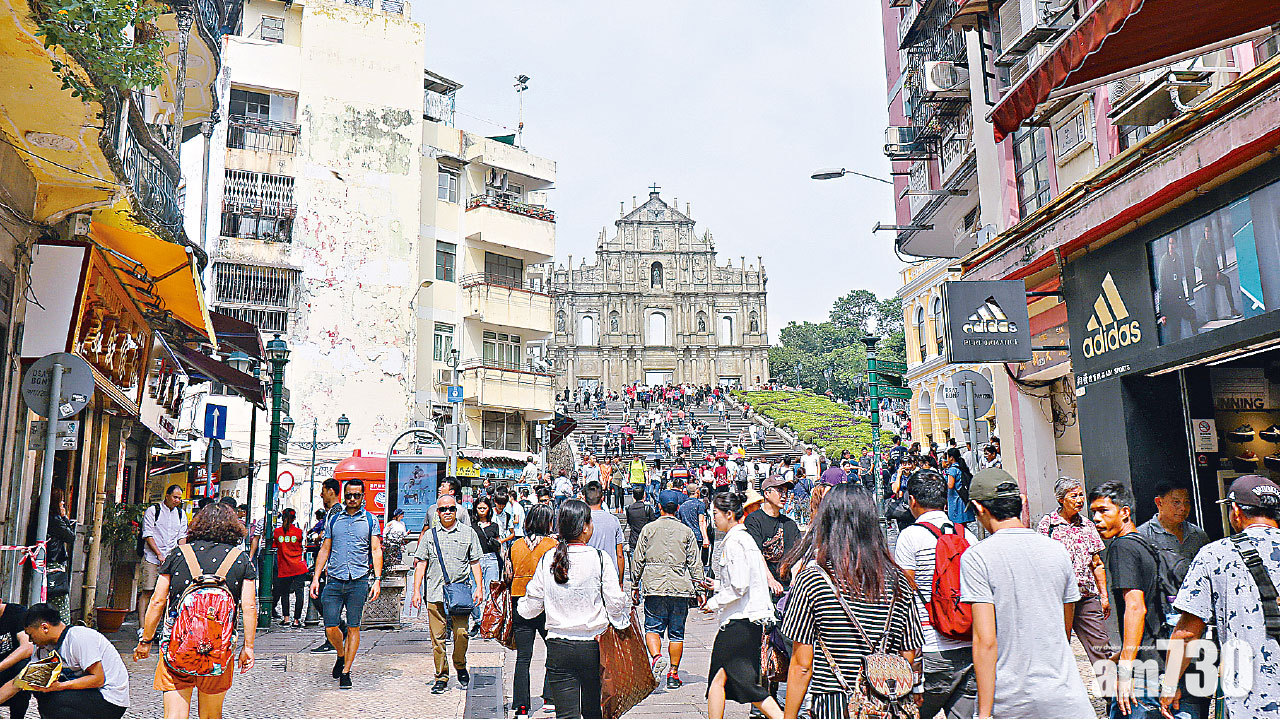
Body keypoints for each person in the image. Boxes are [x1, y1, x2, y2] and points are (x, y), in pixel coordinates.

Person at [780, 485, 924, 719]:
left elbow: (802, 664)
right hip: (886, 704)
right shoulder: (898, 581)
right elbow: (909, 651)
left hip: (833, 703)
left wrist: (789, 716)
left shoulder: (814, 580)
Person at [960, 468, 1093, 718]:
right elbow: (1065, 629)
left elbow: (985, 642)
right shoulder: (1057, 551)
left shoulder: (977, 557)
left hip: (1012, 701)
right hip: (1067, 697)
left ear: (979, 508)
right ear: (1021, 502)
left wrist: (984, 714)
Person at [1160, 475, 1280, 719]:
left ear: (1235, 510)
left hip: (1251, 704)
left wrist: (1170, 684)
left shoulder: (1215, 555)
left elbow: (1187, 632)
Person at [1087, 481, 1199, 719]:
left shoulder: (1122, 547)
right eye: (1093, 512)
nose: (1097, 519)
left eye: (1104, 510)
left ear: (1125, 512)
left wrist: (1125, 669)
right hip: (1157, 662)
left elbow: (1136, 608)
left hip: (1141, 672)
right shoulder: (1144, 543)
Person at [135, 503, 257, 718]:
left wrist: (145, 640)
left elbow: (157, 601)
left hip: (176, 647)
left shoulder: (179, 554)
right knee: (211, 715)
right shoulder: (240, 559)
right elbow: (249, 606)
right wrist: (248, 647)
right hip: (219, 649)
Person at [517, 500, 630, 719]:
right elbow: (616, 603)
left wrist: (522, 609)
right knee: (592, 712)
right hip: (592, 647)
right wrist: (620, 622)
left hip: (558, 647)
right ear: (586, 527)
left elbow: (530, 606)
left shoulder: (548, 558)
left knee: (566, 715)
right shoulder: (599, 559)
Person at [894, 469, 977, 719]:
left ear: (912, 501)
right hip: (968, 645)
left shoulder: (909, 537)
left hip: (930, 647)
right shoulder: (967, 536)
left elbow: (904, 594)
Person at [703, 492, 781, 720]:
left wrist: (714, 602)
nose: (713, 518)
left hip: (740, 621)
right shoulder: (744, 539)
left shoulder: (736, 541)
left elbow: (739, 585)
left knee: (746, 685)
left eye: (715, 514)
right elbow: (744, 581)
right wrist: (718, 585)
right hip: (746, 619)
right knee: (719, 677)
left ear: (729, 514)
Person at [308, 479, 383, 689]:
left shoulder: (370, 520)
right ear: (344, 496)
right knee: (331, 625)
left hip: (358, 580)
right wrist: (315, 577)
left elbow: (376, 550)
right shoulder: (334, 519)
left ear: (363, 497)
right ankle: (341, 654)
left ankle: (346, 671)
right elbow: (325, 549)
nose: (351, 499)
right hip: (334, 579)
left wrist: (377, 580)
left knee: (353, 626)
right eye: (348, 495)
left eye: (356, 495)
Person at [410, 492, 483, 694]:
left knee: (462, 634)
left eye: (451, 508)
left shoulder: (468, 533)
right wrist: (416, 591)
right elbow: (421, 564)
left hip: (459, 593)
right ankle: (441, 675)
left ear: (457, 510)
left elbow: (475, 562)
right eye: (443, 509)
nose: (448, 512)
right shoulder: (429, 536)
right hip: (434, 593)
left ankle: (459, 664)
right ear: (438, 512)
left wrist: (479, 586)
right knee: (437, 639)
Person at [0, 604, 129, 717]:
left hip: (109, 698)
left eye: (30, 635)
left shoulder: (79, 637)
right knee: (38, 687)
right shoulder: (43, 649)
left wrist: (59, 687)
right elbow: (18, 682)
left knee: (54, 700)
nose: (29, 640)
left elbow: (98, 679)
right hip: (85, 694)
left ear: (44, 628)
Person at [633, 489, 705, 689]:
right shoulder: (687, 531)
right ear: (678, 508)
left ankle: (656, 658)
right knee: (677, 633)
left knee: (652, 628)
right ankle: (673, 674)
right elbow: (695, 563)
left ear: (659, 507)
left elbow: (638, 559)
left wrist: (633, 585)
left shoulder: (649, 529)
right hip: (679, 587)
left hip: (654, 586)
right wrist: (700, 590)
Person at [1036, 477, 1110, 665]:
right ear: (1061, 499)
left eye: (1081, 495)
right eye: (1073, 496)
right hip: (1058, 599)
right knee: (1059, 648)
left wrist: (1103, 596)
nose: (1079, 500)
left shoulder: (1087, 525)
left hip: (1086, 596)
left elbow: (1097, 563)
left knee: (1102, 647)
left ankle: (1113, 692)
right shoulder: (1048, 525)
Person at [509, 506, 557, 719]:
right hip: (545, 603)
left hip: (519, 601)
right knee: (553, 651)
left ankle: (521, 707)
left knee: (523, 657)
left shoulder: (515, 545)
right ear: (547, 523)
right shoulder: (553, 545)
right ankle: (549, 698)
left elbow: (508, 574)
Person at [138, 485, 188, 634]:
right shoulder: (153, 511)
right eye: (175, 497)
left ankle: (162, 627)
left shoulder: (181, 514)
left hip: (171, 559)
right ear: (167, 496)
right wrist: (159, 554)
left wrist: (181, 554)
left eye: (179, 498)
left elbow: (182, 537)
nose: (177, 501)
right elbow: (148, 534)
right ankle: (142, 627)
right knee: (148, 590)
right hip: (152, 558)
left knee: (168, 594)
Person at [745, 476, 800, 595]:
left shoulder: (790, 524)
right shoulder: (754, 520)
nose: (784, 495)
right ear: (767, 493)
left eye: (786, 492)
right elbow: (755, 554)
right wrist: (770, 580)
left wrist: (795, 576)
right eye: (780, 491)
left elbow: (798, 555)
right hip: (762, 588)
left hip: (787, 588)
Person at [1137, 478, 1209, 565]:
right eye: (1176, 502)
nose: (1183, 508)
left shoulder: (1198, 535)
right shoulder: (1142, 536)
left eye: (1186, 502)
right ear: (1159, 502)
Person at [309, 478, 344, 654]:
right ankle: (337, 631)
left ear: (331, 491)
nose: (321, 495)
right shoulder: (331, 512)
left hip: (333, 566)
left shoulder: (337, 511)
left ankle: (335, 635)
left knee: (325, 600)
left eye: (323, 490)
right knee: (322, 599)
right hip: (329, 564)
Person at [468, 497, 504, 636]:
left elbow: (499, 543)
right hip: (475, 560)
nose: (482, 511)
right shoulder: (472, 526)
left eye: (484, 508)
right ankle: (478, 621)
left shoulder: (494, 525)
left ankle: (488, 624)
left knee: (491, 593)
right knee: (474, 592)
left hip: (491, 559)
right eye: (479, 508)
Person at [272, 508, 308, 628]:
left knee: (285, 593)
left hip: (284, 567)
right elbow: (302, 546)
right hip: (299, 566)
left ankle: (286, 618)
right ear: (294, 518)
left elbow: (274, 545)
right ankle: (297, 620)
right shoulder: (299, 532)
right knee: (299, 593)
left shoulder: (277, 532)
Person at [583, 482, 625, 582]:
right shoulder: (613, 520)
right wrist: (620, 581)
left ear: (585, 499)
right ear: (602, 498)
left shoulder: (581, 520)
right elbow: (619, 554)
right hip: (610, 575)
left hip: (588, 574)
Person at [45, 489, 75, 624]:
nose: (63, 503)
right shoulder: (56, 520)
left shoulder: (46, 518)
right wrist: (64, 517)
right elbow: (70, 536)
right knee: (60, 603)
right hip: (54, 563)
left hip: (49, 562)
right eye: (61, 500)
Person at [941, 448, 976, 527]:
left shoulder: (952, 470)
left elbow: (950, 485)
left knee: (957, 524)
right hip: (961, 498)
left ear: (951, 458)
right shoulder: (960, 467)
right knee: (963, 525)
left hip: (955, 500)